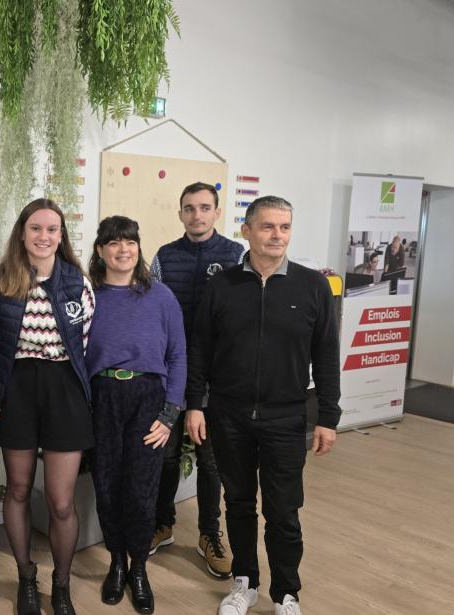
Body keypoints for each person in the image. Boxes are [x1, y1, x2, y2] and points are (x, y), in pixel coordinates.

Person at [186, 196, 341, 615]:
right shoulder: (222, 286)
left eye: (285, 227)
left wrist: (328, 417)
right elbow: (200, 349)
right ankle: (245, 581)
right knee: (237, 503)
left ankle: (286, 592)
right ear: (247, 231)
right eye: (268, 226)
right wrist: (195, 405)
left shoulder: (312, 286)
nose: (277, 235)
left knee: (284, 512)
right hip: (228, 415)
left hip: (286, 417)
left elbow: (326, 355)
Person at [0, 198, 95, 615]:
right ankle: (26, 576)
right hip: (18, 389)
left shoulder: (78, 284)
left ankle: (61, 583)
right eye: (36, 229)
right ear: (22, 234)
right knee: (16, 488)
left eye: (52, 229)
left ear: (61, 236)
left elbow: (84, 343)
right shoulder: (0, 282)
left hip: (64, 387)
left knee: (60, 501)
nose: (44, 236)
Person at [86, 216, 186, 615]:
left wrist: (170, 412)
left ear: (138, 248)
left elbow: (178, 355)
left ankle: (139, 568)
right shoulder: (88, 296)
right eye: (113, 242)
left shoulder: (161, 297)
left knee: (142, 491)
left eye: (130, 241)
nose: (122, 249)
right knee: (107, 485)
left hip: (148, 398)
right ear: (100, 251)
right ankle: (116, 562)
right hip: (103, 397)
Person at [148, 181, 243, 578]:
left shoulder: (237, 255)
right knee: (166, 454)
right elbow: (151, 310)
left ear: (217, 212)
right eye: (190, 208)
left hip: (216, 376)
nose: (197, 215)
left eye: (205, 207)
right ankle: (162, 523)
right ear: (181, 213)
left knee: (209, 458)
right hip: (171, 371)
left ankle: (209, 534)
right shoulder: (164, 257)